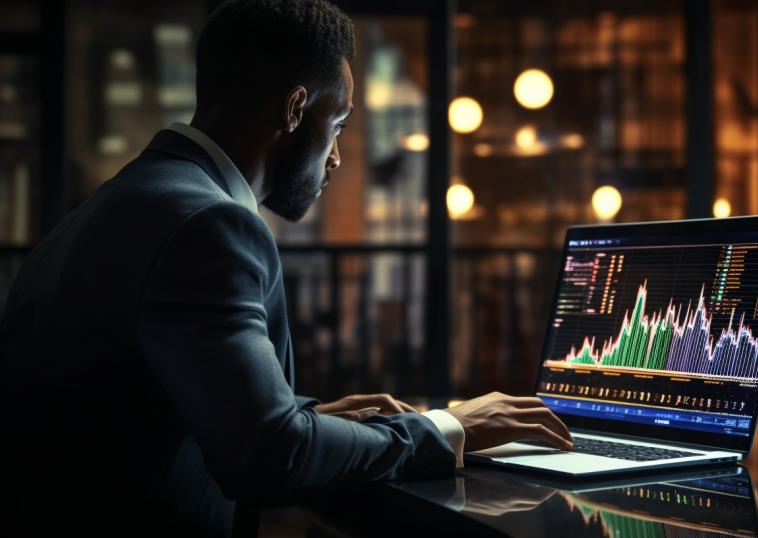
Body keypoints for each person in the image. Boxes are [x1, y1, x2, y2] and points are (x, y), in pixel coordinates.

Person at [0, 0, 572, 535]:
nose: (339, 158)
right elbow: (268, 456)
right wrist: (448, 427)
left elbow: (150, 402)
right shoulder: (208, 225)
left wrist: (310, 419)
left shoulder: (117, 204)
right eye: (339, 125)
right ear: (295, 108)